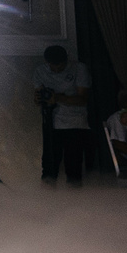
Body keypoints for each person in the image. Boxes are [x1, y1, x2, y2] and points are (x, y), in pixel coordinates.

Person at [31, 45, 91, 186]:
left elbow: (83, 99)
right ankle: (47, 195)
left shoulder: (79, 69)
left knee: (73, 165)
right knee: (49, 165)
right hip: (50, 122)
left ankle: (75, 196)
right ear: (47, 62)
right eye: (53, 66)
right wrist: (39, 99)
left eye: (60, 66)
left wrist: (58, 98)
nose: (57, 69)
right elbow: (40, 97)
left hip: (75, 123)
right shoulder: (40, 71)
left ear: (66, 60)